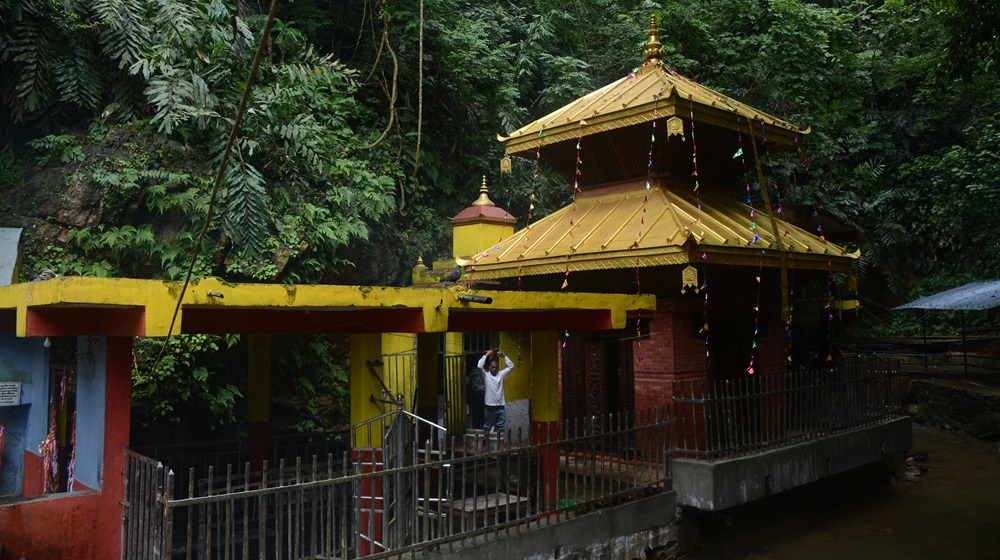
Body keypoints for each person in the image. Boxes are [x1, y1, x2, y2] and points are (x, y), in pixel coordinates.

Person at [478, 348, 514, 450]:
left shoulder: (501, 375)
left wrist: (504, 356)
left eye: (496, 367)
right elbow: (479, 366)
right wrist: (486, 355)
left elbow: (511, 366)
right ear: (489, 367)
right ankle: (485, 445)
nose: (494, 369)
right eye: (493, 367)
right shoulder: (485, 376)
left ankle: (501, 444)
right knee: (487, 427)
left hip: (500, 406)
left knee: (501, 427)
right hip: (489, 407)